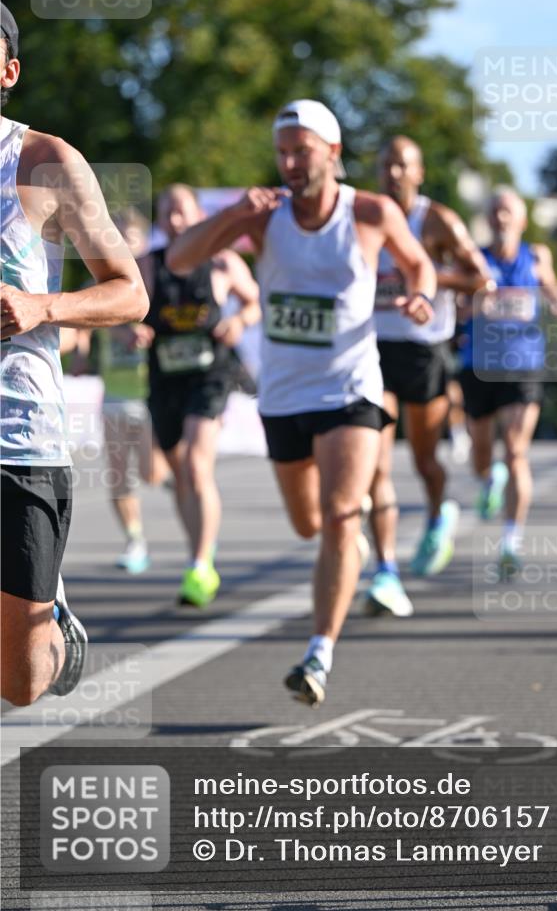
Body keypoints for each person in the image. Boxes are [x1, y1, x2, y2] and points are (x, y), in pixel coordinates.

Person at [167, 99, 436, 706]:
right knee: (308, 523)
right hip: (285, 396)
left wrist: (420, 295)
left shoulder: (370, 212)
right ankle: (347, 548)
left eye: (302, 151)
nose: (290, 163)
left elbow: (419, 265)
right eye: (282, 152)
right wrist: (235, 213)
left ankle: (319, 652)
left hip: (351, 388)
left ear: (333, 153)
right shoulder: (265, 218)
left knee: (340, 514)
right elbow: (180, 258)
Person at [0, 4, 149, 705]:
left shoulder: (46, 163)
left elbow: (130, 293)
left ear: (8, 72)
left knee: (22, 681)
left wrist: (42, 307)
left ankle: (55, 626)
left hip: (19, 435)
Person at [366, 136, 492, 617]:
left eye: (403, 165)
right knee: (375, 465)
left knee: (423, 460)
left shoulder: (436, 220)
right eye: (386, 164)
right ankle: (385, 571)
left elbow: (481, 278)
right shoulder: (365, 215)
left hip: (424, 351)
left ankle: (439, 513)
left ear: (419, 173)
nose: (393, 173)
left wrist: (430, 277)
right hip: (373, 349)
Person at [144, 183, 261, 606]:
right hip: (164, 378)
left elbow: (254, 303)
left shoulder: (223, 262)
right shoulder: (147, 265)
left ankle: (199, 563)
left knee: (197, 465)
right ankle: (199, 551)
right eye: (167, 213)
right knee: (180, 473)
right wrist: (129, 331)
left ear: (199, 217)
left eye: (182, 211)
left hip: (210, 375)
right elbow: (119, 314)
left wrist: (239, 322)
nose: (176, 220)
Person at [459, 186, 557, 579]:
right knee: (481, 453)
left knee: (515, 450)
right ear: (487, 219)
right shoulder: (475, 258)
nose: (501, 217)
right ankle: (489, 478)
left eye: (508, 211)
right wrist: (475, 302)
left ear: (522, 220)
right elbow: (458, 311)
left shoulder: (536, 257)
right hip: (478, 366)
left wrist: (556, 296)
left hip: (523, 366)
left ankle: (511, 542)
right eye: (495, 210)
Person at [63, 209, 170, 574]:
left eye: (131, 238)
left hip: (151, 393)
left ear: (145, 243)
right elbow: (79, 318)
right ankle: (135, 541)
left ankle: (175, 481)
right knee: (119, 473)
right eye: (117, 238)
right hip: (114, 393)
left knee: (152, 473)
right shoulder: (101, 281)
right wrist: (82, 353)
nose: (124, 245)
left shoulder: (157, 281)